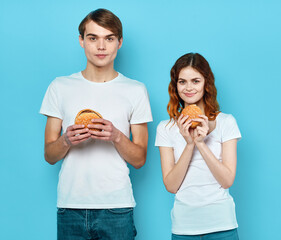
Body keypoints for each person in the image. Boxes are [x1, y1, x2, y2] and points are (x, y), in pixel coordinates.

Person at [40, 9, 152, 240]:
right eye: (93, 38)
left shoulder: (136, 90)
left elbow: (140, 159)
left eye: (109, 38)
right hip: (70, 206)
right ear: (81, 41)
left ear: (119, 42)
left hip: (117, 207)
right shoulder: (59, 87)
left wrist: (117, 136)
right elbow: (49, 155)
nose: (101, 46)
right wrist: (66, 140)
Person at [155, 53, 241, 240]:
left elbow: (227, 180)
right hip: (184, 228)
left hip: (222, 227)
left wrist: (200, 144)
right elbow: (171, 185)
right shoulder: (166, 128)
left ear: (206, 84)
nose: (189, 88)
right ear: (175, 86)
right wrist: (189, 145)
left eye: (195, 81)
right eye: (182, 82)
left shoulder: (226, 122)